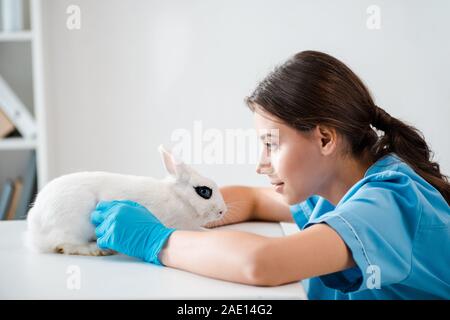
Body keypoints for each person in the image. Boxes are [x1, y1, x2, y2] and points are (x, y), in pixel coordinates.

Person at [90, 51, 450, 299]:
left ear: (324, 138)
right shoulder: (334, 191)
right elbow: (251, 200)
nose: (261, 164)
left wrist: (156, 239)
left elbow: (263, 263)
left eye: (271, 144)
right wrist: (175, 208)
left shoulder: (386, 202)